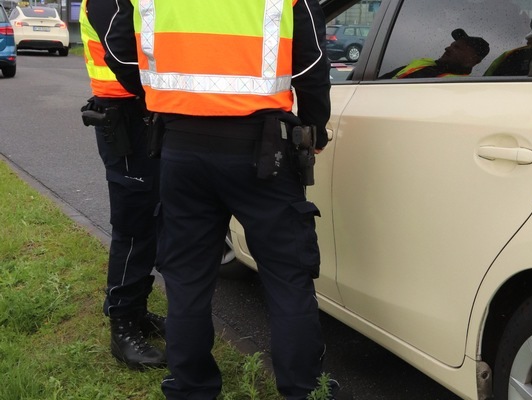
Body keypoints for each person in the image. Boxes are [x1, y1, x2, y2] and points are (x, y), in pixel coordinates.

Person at [88, 0, 337, 398]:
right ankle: (305, 390)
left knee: (187, 278)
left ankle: (191, 388)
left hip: (180, 144)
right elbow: (312, 65)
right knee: (287, 276)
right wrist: (315, 128)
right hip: (262, 147)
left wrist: (164, 94)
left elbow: (119, 53)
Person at [79, 0, 167, 371]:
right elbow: (123, 56)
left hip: (141, 113)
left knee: (150, 218)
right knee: (133, 225)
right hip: (126, 116)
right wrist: (160, 95)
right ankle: (122, 324)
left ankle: (136, 310)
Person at [380, 28, 490, 79]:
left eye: (457, 48)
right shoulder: (424, 63)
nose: (447, 48)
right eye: (451, 45)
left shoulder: (461, 87)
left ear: (474, 59)